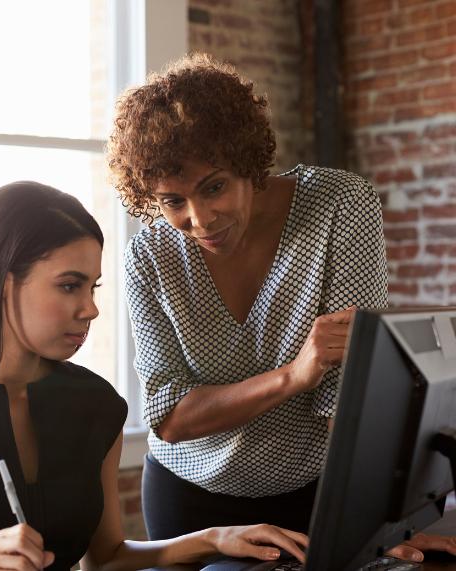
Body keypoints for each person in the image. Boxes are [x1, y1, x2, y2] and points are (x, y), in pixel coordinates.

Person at [0, 181, 310, 571]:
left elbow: (105, 558)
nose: (90, 309)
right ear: (0, 283)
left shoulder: (95, 405)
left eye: (92, 287)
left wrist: (214, 538)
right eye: (69, 286)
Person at [106, 51, 456, 562]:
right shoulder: (150, 254)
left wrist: (384, 524)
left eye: (214, 187)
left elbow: (347, 397)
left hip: (316, 494)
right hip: (190, 500)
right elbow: (170, 416)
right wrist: (295, 374)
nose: (199, 219)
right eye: (172, 201)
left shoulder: (339, 205)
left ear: (248, 160)